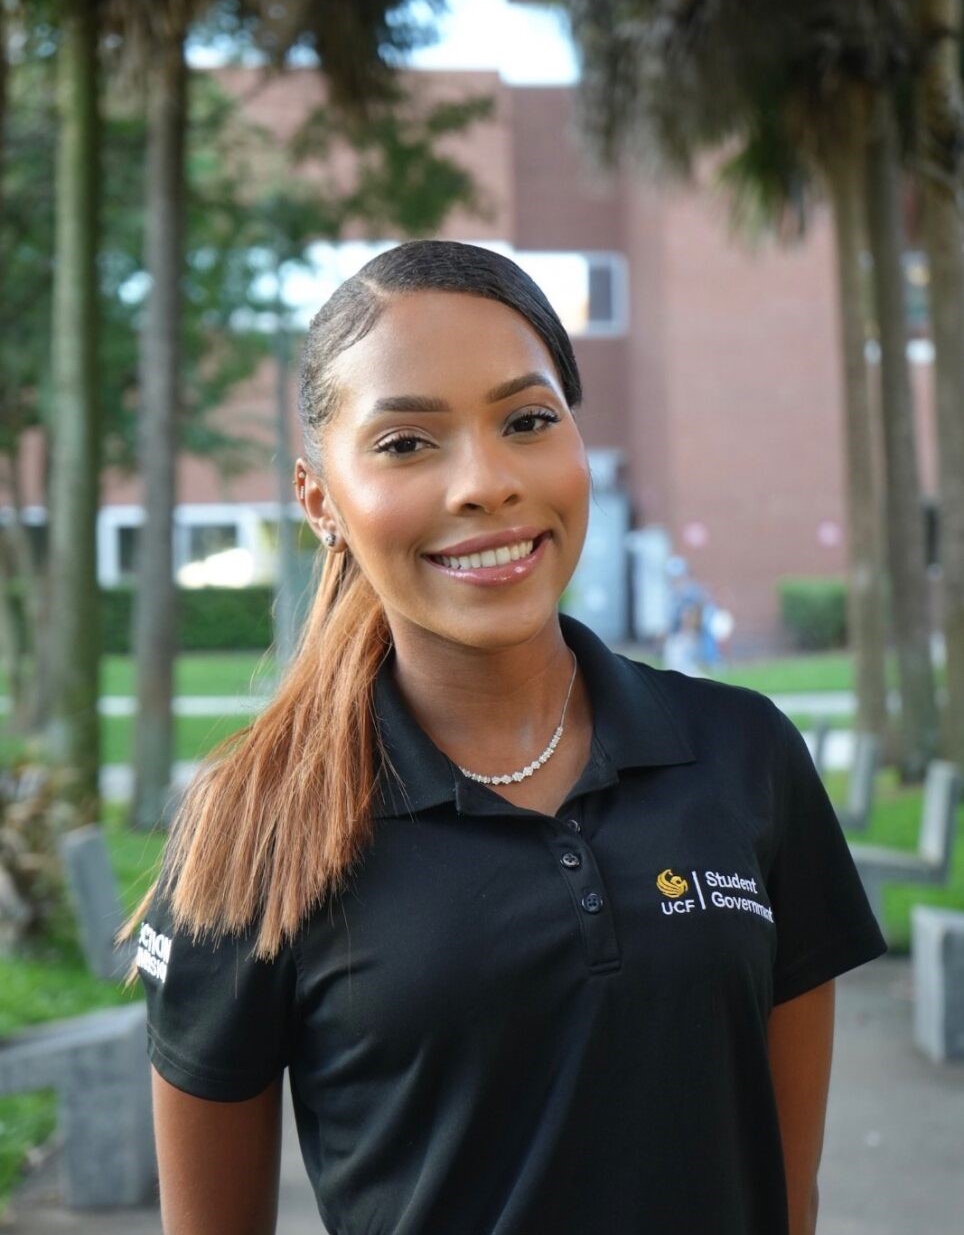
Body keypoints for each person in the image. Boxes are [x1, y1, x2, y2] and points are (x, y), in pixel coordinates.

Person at [122, 239, 887, 1235]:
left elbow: (787, 1199)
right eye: (407, 442)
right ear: (320, 500)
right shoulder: (254, 824)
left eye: (526, 420)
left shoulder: (745, 755)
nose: (485, 483)